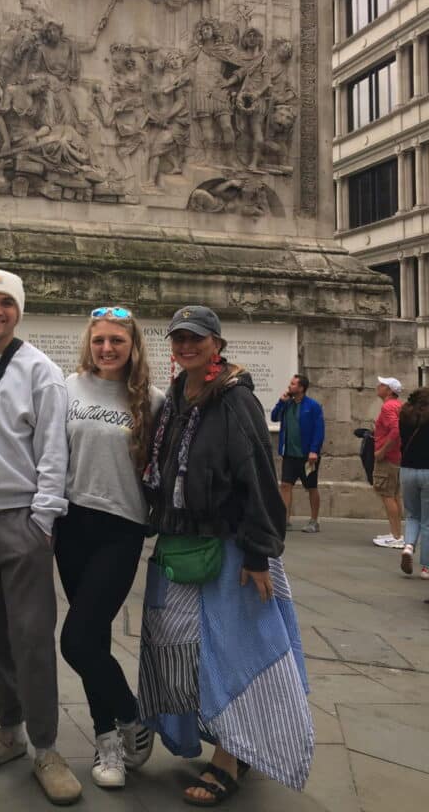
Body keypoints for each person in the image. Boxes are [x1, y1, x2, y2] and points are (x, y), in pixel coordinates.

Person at [139, 305, 313, 807]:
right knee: (178, 644)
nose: (186, 346)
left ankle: (230, 758)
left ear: (217, 343)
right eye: (178, 338)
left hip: (233, 548)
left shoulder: (236, 399)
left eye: (196, 338)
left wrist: (259, 554)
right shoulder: (178, 395)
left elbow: (259, 472)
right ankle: (220, 736)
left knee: (235, 652)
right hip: (182, 541)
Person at [0, 269, 81, 806]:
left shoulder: (40, 371)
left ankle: (45, 746)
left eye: (5, 303)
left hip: (18, 518)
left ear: (17, 311)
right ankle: (9, 728)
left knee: (30, 636)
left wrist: (43, 520)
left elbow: (54, 450)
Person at [56, 306, 165, 789]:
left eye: (116, 341)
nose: (106, 349)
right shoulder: (67, 387)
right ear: (89, 343)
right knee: (94, 641)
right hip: (72, 523)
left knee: (76, 639)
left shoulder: (153, 401)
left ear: (132, 346)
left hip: (121, 528)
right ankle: (109, 748)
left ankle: (132, 716)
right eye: (99, 340)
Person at [271, 374, 325, 533]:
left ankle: (314, 521)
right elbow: (274, 417)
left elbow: (319, 429)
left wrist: (314, 450)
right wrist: (281, 402)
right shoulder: (287, 404)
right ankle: (284, 519)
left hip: (307, 455)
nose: (290, 386)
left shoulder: (313, 406)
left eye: (293, 384)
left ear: (301, 388)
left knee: (311, 487)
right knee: (285, 485)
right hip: (289, 453)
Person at [397, 388, 429, 580]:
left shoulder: (405, 416)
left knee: (412, 514)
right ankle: (426, 567)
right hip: (428, 471)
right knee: (427, 521)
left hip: (407, 469)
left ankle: (408, 546)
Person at [371, 376, 404, 549]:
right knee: (394, 494)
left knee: (387, 495)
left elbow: (395, 430)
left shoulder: (388, 407)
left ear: (389, 390)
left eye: (382, 384)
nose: (378, 386)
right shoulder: (399, 406)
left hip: (387, 458)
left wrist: (382, 451)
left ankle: (397, 536)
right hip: (396, 457)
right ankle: (396, 533)